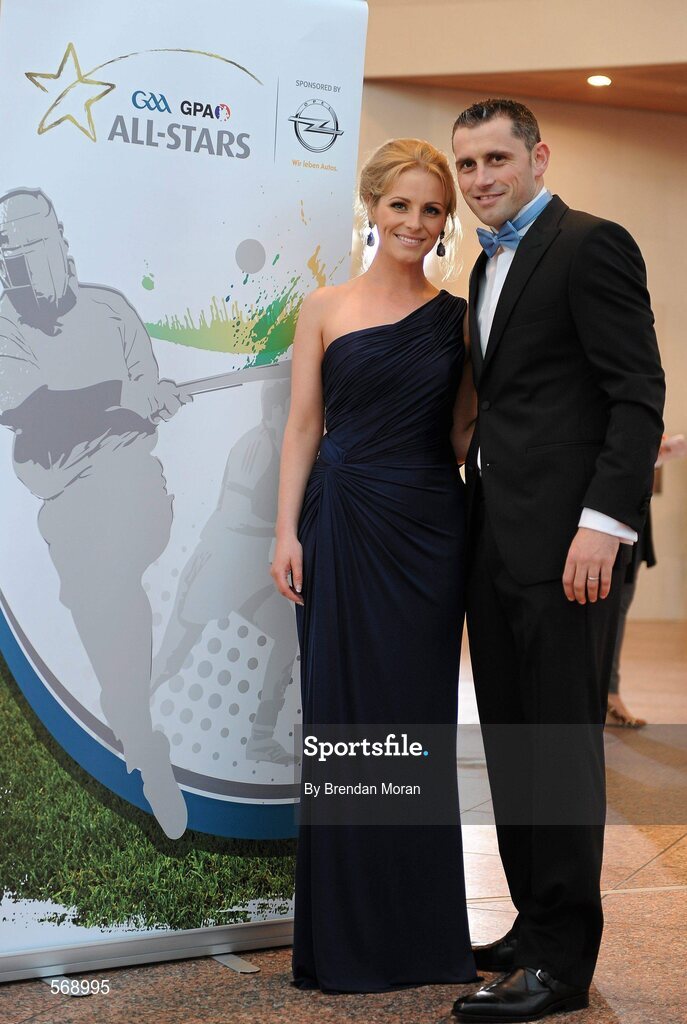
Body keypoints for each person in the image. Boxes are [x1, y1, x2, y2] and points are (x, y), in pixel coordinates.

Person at [450, 100, 665, 1022]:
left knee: (561, 751)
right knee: (512, 744)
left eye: (496, 158)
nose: (479, 178)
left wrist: (602, 523)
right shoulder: (483, 262)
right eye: (465, 165)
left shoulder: (589, 242)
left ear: (537, 156)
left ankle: (563, 965)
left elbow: (637, 393)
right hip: (494, 539)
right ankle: (531, 925)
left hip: (567, 549)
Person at [270, 139, 478, 992]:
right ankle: (348, 939)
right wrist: (285, 532)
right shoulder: (322, 306)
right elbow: (302, 428)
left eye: (432, 209)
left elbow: (465, 435)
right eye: (401, 205)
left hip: (429, 532)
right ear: (371, 208)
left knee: (413, 728)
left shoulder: (460, 317)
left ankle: (419, 938)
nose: (416, 222)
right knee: (346, 725)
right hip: (341, 526)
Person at [0, 188, 191, 839]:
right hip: (67, 503)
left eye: (32, 242)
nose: (22, 261)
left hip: (136, 488)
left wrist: (151, 399)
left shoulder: (110, 309)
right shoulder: (4, 324)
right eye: (8, 250)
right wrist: (124, 397)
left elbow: (147, 391)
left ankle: (137, 730)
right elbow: (33, 409)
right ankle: (142, 745)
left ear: (59, 240)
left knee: (107, 586)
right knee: (106, 611)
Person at [151, 377, 299, 766]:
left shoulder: (290, 446)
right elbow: (236, 516)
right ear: (274, 411)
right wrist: (283, 529)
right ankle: (128, 718)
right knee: (171, 659)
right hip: (219, 565)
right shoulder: (257, 446)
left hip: (251, 572)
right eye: (290, 407)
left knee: (287, 635)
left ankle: (261, 739)